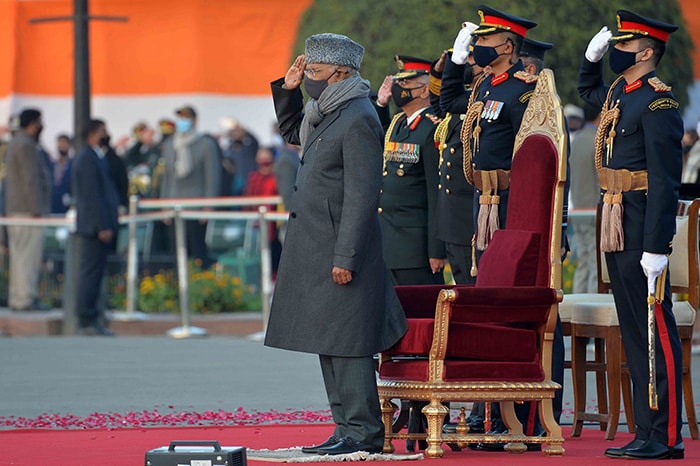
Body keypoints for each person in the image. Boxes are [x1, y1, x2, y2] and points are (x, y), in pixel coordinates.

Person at [265, 33, 407, 456]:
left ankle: (364, 433)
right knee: (329, 341)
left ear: (341, 73)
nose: (309, 78)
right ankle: (344, 427)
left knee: (349, 344)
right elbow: (294, 132)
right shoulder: (326, 111)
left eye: (315, 72)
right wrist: (289, 90)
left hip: (343, 250)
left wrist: (346, 256)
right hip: (318, 245)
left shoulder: (359, 116)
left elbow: (363, 195)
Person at [579, 10, 684, 460]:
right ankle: (645, 430)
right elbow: (588, 93)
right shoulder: (623, 92)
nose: (614, 53)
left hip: (641, 224)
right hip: (615, 217)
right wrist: (590, 59)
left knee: (654, 330)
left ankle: (665, 435)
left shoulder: (658, 103)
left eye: (621, 47)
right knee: (633, 329)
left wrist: (657, 247)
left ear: (645, 52)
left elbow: (665, 180)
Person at [375, 55, 446, 287]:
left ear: (424, 91)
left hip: (415, 247)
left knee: (420, 314)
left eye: (405, 85)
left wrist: (436, 249)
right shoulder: (398, 123)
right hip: (389, 242)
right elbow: (382, 139)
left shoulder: (430, 128)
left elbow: (436, 193)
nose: (399, 89)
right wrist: (381, 106)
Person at [71, 119, 120, 336]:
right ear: (92, 134)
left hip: (98, 225)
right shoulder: (87, 159)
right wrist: (102, 225)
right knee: (90, 273)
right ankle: (86, 318)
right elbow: (92, 197)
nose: (106, 134)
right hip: (94, 227)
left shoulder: (95, 157)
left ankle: (91, 317)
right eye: (102, 131)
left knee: (95, 272)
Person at [160, 105, 222, 269]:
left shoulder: (205, 144)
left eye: (185, 118)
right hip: (173, 203)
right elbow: (166, 177)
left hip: (196, 203)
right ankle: (178, 284)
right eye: (180, 118)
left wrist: (208, 206)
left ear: (194, 120)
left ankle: (199, 285)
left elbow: (212, 176)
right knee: (175, 249)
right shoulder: (169, 144)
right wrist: (163, 204)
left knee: (197, 250)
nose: (182, 122)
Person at [4, 108, 52, 311]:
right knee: (28, 257)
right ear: (33, 124)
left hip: (16, 209)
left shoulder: (16, 143)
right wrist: (36, 208)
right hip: (27, 210)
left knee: (18, 256)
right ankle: (25, 298)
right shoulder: (26, 145)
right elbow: (30, 179)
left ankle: (17, 297)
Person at [570, 105, 601, 294]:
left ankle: (576, 303)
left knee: (583, 261)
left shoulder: (577, 140)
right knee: (595, 264)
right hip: (593, 210)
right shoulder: (595, 141)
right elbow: (600, 179)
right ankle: (590, 309)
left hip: (578, 208)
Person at [243, 146, 282, 275]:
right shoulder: (253, 177)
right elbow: (248, 199)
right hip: (256, 225)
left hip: (274, 224)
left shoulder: (276, 177)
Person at [51, 134, 73, 214]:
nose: (61, 146)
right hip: (53, 203)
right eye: (60, 143)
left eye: (64, 143)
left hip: (67, 204)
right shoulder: (52, 164)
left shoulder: (73, 164)